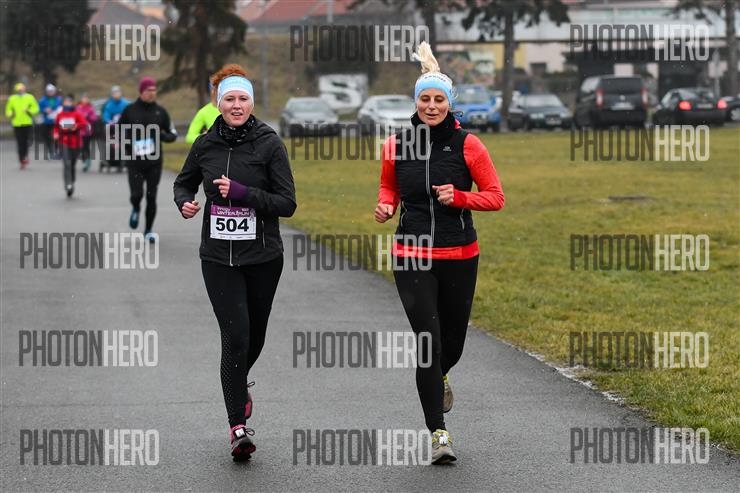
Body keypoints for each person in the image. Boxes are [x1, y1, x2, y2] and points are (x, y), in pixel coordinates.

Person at [374, 42, 505, 465]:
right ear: (415, 102)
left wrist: (461, 197)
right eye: (425, 99)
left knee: (453, 345)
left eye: (438, 100)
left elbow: (496, 197)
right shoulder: (396, 145)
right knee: (428, 343)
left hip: (460, 255)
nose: (431, 106)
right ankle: (438, 433)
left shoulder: (469, 145)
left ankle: (442, 374)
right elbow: (389, 186)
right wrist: (386, 205)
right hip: (411, 254)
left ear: (450, 104)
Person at [173, 64, 296, 461]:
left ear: (252, 103)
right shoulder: (205, 145)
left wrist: (244, 193)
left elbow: (287, 203)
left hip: (263, 257)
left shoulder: (269, 144)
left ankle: (238, 384)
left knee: (254, 336)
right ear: (218, 103)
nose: (237, 105)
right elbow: (183, 182)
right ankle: (237, 427)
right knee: (236, 335)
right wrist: (184, 202)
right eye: (229, 99)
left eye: (243, 99)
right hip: (217, 258)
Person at [118, 77, 177, 242]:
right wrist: (126, 143)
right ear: (141, 92)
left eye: (154, 90)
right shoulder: (129, 110)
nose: (152, 93)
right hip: (134, 162)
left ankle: (148, 230)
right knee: (136, 194)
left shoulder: (161, 112)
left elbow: (172, 134)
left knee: (151, 197)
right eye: (148, 90)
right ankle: (136, 208)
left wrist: (162, 136)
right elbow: (119, 131)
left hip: (154, 162)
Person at [53, 94, 88, 197]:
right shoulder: (60, 115)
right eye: (66, 102)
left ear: (72, 103)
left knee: (72, 164)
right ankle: (68, 184)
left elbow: (84, 123)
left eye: (69, 102)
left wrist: (76, 126)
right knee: (66, 164)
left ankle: (72, 181)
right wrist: (55, 133)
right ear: (63, 103)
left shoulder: (76, 113)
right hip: (63, 141)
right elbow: (56, 126)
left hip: (75, 141)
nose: (67, 103)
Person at [4, 82, 39, 169]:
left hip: (27, 123)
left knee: (27, 141)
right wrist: (11, 114)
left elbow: (36, 108)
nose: (20, 91)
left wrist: (29, 111)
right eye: (19, 90)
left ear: (24, 89)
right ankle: (22, 160)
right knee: (20, 142)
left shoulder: (29, 97)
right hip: (17, 123)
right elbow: (8, 110)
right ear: (16, 90)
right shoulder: (12, 98)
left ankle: (25, 156)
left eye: (22, 89)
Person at [101, 85, 129, 172]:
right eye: (114, 93)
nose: (116, 95)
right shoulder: (109, 105)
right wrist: (109, 121)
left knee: (124, 142)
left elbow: (129, 114)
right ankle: (108, 159)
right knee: (108, 140)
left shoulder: (125, 103)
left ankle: (123, 160)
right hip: (112, 128)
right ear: (112, 94)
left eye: (118, 93)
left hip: (123, 128)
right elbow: (106, 115)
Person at [38, 83, 62, 159]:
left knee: (56, 136)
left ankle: (57, 151)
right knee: (47, 137)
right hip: (46, 122)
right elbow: (38, 109)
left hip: (56, 121)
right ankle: (51, 151)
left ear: (55, 91)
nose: (51, 92)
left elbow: (62, 108)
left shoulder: (59, 99)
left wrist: (59, 111)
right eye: (49, 91)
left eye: (52, 91)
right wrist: (45, 110)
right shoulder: (42, 100)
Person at [76, 93, 98, 172]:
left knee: (86, 146)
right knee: (80, 147)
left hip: (87, 131)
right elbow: (75, 117)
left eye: (86, 98)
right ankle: (84, 158)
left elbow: (94, 118)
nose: (85, 100)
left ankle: (87, 161)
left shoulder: (90, 108)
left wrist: (88, 116)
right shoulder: (78, 108)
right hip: (79, 130)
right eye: (83, 98)